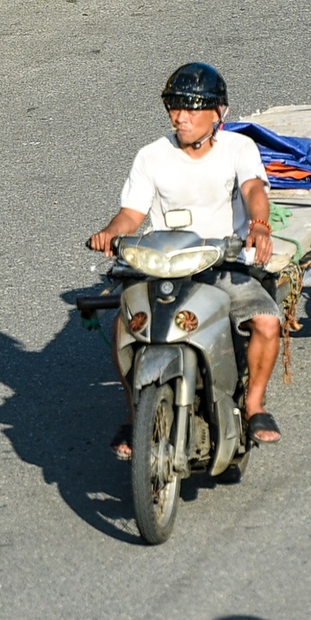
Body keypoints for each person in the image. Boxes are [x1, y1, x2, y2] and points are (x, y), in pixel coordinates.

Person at [87, 62, 283, 455]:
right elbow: (132, 214)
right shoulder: (151, 156)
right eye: (176, 107)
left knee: (265, 323)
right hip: (164, 262)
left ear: (218, 113)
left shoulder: (238, 149)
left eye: (192, 108)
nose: (181, 117)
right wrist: (112, 231)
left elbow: (253, 189)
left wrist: (259, 225)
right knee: (125, 328)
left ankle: (254, 405)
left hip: (224, 262)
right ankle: (133, 415)